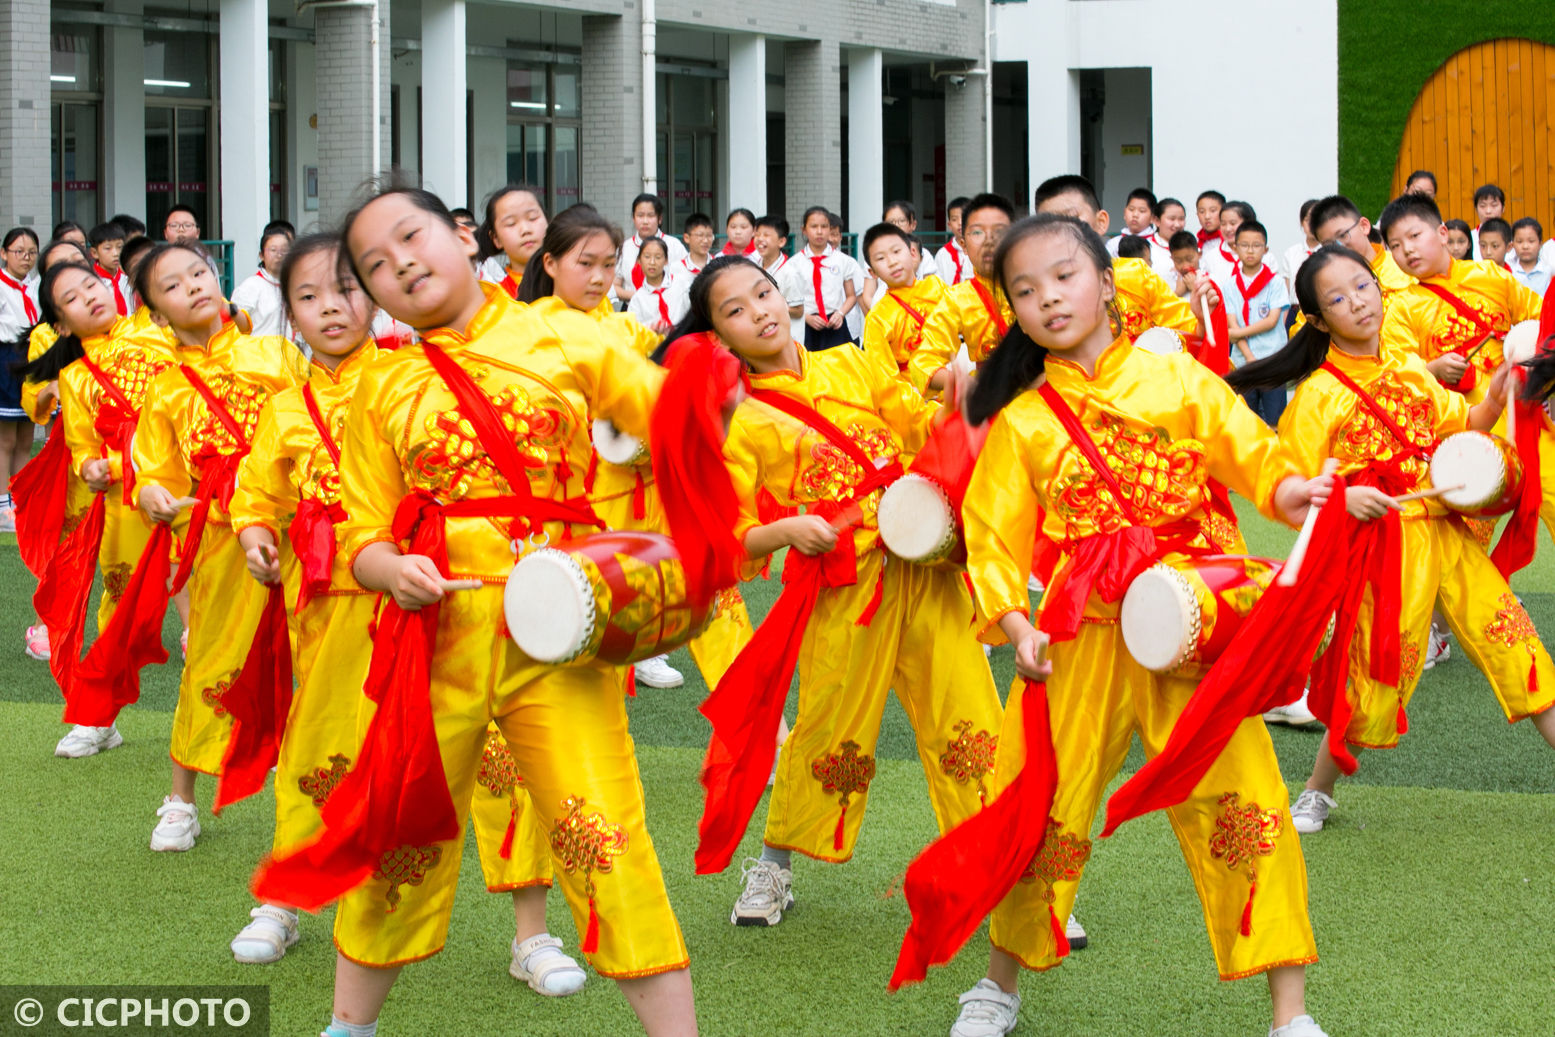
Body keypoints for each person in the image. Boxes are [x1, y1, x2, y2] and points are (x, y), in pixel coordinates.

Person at [250, 184, 700, 1037]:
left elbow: (683, 431)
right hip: (435, 643)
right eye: (375, 264)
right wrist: (390, 569)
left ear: (461, 238)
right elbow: (360, 528)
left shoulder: (567, 335)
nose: (401, 264)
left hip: (561, 639)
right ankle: (348, 1026)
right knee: (398, 833)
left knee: (603, 832)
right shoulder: (380, 386)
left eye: (412, 237)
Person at [892, 212, 1333, 1037]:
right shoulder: (1022, 418)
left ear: (1104, 279)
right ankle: (999, 985)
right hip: (1078, 633)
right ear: (1012, 313)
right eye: (1024, 290)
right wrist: (1016, 624)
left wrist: (1290, 493)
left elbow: (1253, 455)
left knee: (1244, 800)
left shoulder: (1180, 382)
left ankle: (1289, 1009)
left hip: (1186, 625)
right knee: (1045, 808)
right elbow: (992, 538)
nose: (1047, 298)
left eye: (1063, 276)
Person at [666, 256, 1005, 938]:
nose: (759, 310)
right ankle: (772, 866)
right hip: (842, 585)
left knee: (970, 719)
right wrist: (787, 528)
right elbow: (725, 536)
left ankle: (1000, 869)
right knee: (824, 728)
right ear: (719, 339)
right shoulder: (739, 420)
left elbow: (915, 423)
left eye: (762, 292)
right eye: (735, 309)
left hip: (924, 564)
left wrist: (953, 393)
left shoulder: (851, 360)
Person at [1225, 245, 1555, 837]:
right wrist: (1344, 498)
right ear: (1319, 321)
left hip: (1448, 535)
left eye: (1363, 286)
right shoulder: (1315, 398)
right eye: (1338, 298)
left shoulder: (1407, 368)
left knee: (1517, 643)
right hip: (1388, 552)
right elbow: (1295, 494)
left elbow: (1466, 426)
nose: (1359, 302)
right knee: (1374, 680)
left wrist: (1497, 391)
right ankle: (1316, 790)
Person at [110, 242, 307, 851]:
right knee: (212, 659)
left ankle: (320, 787)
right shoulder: (166, 387)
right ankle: (181, 798)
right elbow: (154, 468)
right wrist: (152, 495)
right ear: (157, 314)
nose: (194, 285)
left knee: (315, 658)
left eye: (199, 272)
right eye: (173, 285)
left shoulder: (275, 354)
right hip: (221, 536)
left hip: (298, 529)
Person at [23, 261, 176, 758]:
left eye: (91, 284)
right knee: (119, 614)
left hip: (195, 488)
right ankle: (98, 718)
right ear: (62, 325)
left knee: (232, 606)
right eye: (72, 297)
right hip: (126, 505)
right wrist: (95, 467)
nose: (90, 296)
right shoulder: (74, 377)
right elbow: (83, 449)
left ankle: (254, 723)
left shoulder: (157, 329)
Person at [1378, 193, 1541, 403]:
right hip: (1462, 425)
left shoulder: (1490, 274)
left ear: (1443, 233)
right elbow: (1395, 371)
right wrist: (1433, 369)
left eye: (1414, 236)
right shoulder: (1402, 308)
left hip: (1519, 405)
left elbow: (1541, 316)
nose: (1408, 249)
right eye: (1396, 245)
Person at [1032, 176, 1208, 346]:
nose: (1060, 232)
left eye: (1071, 218)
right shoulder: (1037, 292)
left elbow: (1190, 331)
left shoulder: (1136, 276)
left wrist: (1202, 318)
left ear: (1101, 222)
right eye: (1048, 225)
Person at [908, 193, 1016, 396]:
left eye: (1000, 231)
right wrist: (964, 384)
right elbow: (922, 363)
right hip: (989, 396)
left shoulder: (1037, 286)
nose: (989, 241)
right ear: (964, 245)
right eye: (977, 233)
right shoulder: (957, 299)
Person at [1220, 220, 1292, 426]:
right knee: (1246, 419)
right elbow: (1231, 323)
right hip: (1244, 363)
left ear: (1266, 249)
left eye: (1256, 245)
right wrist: (1250, 358)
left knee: (1275, 418)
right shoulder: (1230, 285)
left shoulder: (1275, 283)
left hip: (1272, 360)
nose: (1250, 251)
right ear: (1235, 248)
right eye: (1244, 245)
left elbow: (1271, 320)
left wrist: (1237, 334)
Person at [860, 222, 947, 378]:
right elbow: (884, 378)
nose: (892, 262)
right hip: (915, 396)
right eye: (881, 258)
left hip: (956, 384)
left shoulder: (937, 287)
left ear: (913, 253)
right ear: (873, 273)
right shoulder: (877, 319)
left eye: (896, 251)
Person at [0, 227, 41, 531]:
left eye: (31, 253)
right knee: (6, 439)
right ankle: (2, 504)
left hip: (34, 358)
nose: (25, 258)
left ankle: (20, 498)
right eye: (18, 252)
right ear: (4, 254)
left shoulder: (38, 284)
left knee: (26, 438)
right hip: (6, 359)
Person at [794, 206, 859, 351]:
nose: (819, 231)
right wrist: (807, 317)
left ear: (830, 229)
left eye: (824, 226)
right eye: (814, 226)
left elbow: (851, 296)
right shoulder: (795, 264)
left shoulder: (843, 260)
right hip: (807, 325)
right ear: (804, 230)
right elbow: (786, 301)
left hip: (835, 323)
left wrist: (841, 313)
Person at [615, 192, 688, 304]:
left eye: (650, 216)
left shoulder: (673, 245)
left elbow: (685, 282)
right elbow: (615, 285)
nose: (645, 221)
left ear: (659, 219)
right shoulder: (625, 248)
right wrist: (640, 296)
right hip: (632, 309)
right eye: (640, 216)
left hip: (668, 309)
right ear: (633, 218)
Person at [475, 184, 547, 295]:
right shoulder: (497, 300)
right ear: (496, 239)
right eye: (511, 224)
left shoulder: (571, 283)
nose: (525, 230)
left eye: (533, 218)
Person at [230, 225, 295, 338]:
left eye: (284, 250)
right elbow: (233, 325)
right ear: (262, 255)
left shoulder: (295, 286)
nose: (279, 255)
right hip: (259, 353)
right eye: (273, 250)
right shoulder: (251, 286)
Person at [754, 215, 805, 344]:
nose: (760, 239)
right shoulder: (754, 267)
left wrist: (769, 305)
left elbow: (798, 311)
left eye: (766, 235)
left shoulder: (790, 273)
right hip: (765, 337)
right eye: (757, 235)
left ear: (781, 242)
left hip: (788, 341)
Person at [627, 236, 687, 335]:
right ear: (639, 260)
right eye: (647, 257)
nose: (652, 262)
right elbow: (633, 333)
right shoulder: (637, 300)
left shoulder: (681, 285)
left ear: (666, 260)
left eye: (658, 257)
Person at [88, 221, 131, 317]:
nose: (115, 253)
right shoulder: (91, 283)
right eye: (108, 248)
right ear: (94, 253)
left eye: (120, 247)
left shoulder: (128, 281)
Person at [1203, 201, 1253, 279]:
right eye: (1223, 224)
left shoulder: (1263, 256)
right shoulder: (1211, 257)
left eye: (1233, 223)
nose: (1228, 229)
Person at [1281, 200, 1320, 299]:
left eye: (1316, 219)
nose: (1312, 225)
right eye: (1308, 220)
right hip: (1296, 309)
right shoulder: (1291, 253)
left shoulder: (1330, 252)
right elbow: (1286, 288)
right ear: (1302, 223)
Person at [936, 196, 976, 286]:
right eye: (954, 219)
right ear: (949, 225)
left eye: (964, 217)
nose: (960, 223)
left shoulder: (980, 251)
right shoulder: (942, 254)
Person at [1105, 187, 1157, 257]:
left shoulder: (1156, 245)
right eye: (1131, 209)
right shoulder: (1113, 244)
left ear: (1152, 218)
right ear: (1124, 213)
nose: (1135, 215)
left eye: (1142, 211)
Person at [1508, 217, 1551, 296]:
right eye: (1519, 241)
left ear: (1540, 243)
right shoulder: (1508, 272)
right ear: (1512, 244)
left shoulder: (1548, 273)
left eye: (1531, 241)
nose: (1525, 246)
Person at [675, 213, 715, 286]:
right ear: (687, 238)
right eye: (700, 235)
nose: (705, 240)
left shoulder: (719, 265)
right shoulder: (676, 269)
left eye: (709, 235)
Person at [1470, 183, 1506, 260]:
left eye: (1494, 205)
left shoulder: (1512, 237)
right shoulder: (1469, 238)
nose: (1488, 211)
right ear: (1476, 209)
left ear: (1503, 208)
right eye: (1483, 206)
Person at [1169, 230, 1203, 298]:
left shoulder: (1209, 278)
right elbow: (1162, 307)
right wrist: (1178, 293)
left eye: (1189, 259)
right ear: (1172, 259)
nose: (1185, 266)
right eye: (1179, 261)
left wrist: (1195, 289)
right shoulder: (1167, 280)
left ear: (1199, 254)